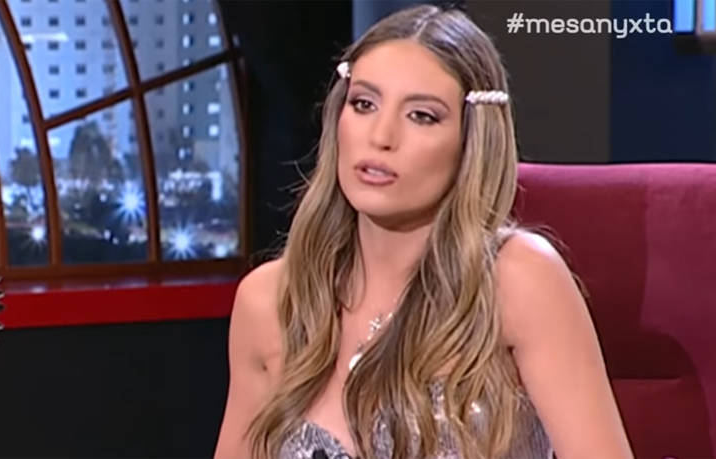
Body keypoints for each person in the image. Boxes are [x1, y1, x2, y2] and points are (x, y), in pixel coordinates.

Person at [214, 4, 633, 458]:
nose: (381, 136)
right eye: (364, 104)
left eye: (421, 116)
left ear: (471, 141)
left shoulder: (519, 281)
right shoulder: (270, 301)